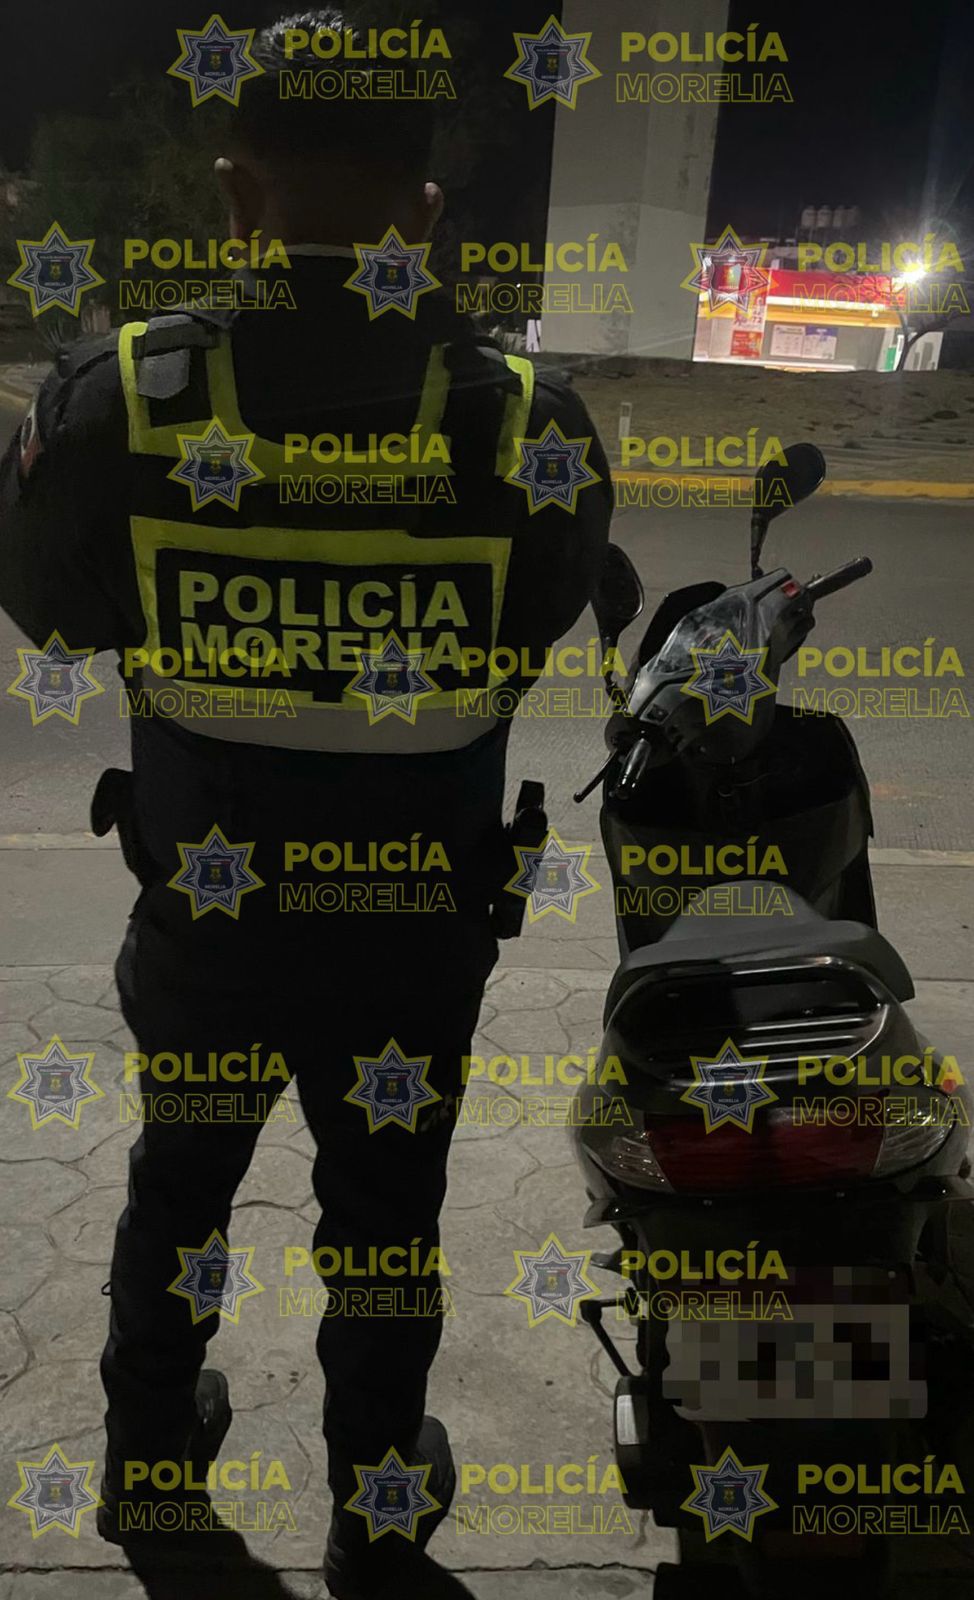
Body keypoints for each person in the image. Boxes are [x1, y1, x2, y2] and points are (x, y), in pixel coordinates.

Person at [0, 10, 611, 1597]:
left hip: (207, 922)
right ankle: (379, 1508)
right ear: (425, 206)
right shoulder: (526, 420)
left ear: (233, 190)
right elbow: (537, 621)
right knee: (386, 1219)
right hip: (411, 937)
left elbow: (50, 612)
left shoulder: (122, 397)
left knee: (179, 1191)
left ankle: (148, 1465)